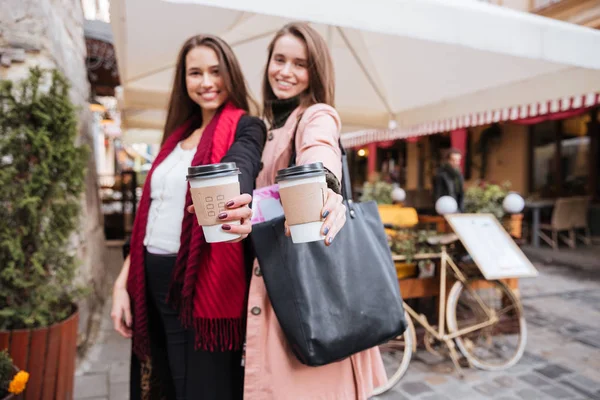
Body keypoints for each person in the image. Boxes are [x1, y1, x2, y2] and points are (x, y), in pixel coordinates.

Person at [110, 34, 266, 400]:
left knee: (201, 386)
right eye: (195, 73)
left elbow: (240, 164)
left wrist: (235, 199)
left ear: (231, 73)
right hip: (148, 277)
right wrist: (121, 285)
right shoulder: (177, 135)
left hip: (199, 282)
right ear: (184, 80)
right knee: (161, 379)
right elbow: (151, 217)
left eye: (216, 71)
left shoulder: (247, 126)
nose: (207, 82)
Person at [243, 22, 387, 399]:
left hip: (309, 289)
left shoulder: (316, 114)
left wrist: (326, 186)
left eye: (300, 64)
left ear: (314, 72)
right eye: (279, 59)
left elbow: (319, 150)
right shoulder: (264, 125)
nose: (286, 72)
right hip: (279, 283)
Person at [433, 148, 465, 212]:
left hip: (457, 209)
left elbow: (460, 194)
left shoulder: (459, 175)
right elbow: (437, 193)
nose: (456, 163)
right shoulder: (441, 174)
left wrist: (461, 209)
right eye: (453, 160)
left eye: (458, 160)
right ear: (448, 160)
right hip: (445, 208)